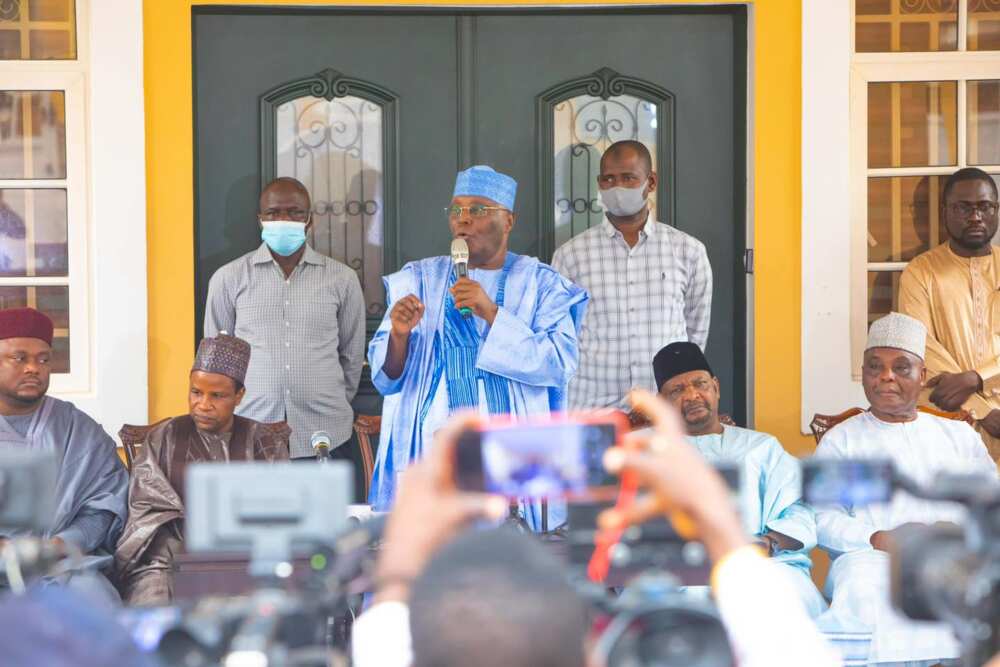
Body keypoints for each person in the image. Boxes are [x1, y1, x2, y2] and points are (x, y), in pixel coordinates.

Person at [351, 392, 839, 667]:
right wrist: (724, 533)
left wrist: (398, 573)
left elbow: (384, 647)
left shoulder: (760, 446)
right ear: (593, 652)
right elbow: (792, 652)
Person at [367, 165, 588, 529]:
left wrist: (491, 312)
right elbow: (386, 378)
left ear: (509, 220)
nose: (463, 220)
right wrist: (399, 335)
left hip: (512, 454)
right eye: (456, 211)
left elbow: (559, 362)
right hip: (431, 450)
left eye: (478, 210)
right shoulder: (420, 278)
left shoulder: (542, 284)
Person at [815, 311, 997, 666]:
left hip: (956, 554)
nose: (886, 377)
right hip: (873, 560)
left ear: (922, 375)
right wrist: (878, 537)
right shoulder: (843, 441)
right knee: (862, 587)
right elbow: (822, 518)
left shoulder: (958, 435)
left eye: (901, 367)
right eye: (874, 366)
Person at [650, 341, 827, 617]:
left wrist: (769, 542)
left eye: (700, 384)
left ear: (716, 388)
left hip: (762, 563)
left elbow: (800, 511)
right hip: (679, 571)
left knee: (785, 594)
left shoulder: (761, 447)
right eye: (678, 390)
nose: (693, 395)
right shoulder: (645, 454)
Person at [114, 334, 289, 606]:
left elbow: (281, 511)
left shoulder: (263, 442)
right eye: (196, 392)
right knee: (151, 604)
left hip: (247, 558)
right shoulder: (165, 437)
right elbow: (147, 510)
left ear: (239, 395)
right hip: (170, 559)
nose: (203, 404)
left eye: (217, 396)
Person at [204, 176, 365, 461]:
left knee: (327, 507)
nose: (284, 219)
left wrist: (325, 395)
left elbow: (352, 356)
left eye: (294, 212)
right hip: (251, 431)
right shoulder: (229, 278)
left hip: (325, 431)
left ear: (309, 220)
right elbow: (217, 361)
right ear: (260, 220)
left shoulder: (342, 279)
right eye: (273, 213)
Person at [551, 140, 712, 410]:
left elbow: (695, 334)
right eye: (609, 179)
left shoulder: (688, 251)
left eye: (628, 178)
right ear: (599, 184)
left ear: (650, 182)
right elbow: (560, 337)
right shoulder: (570, 256)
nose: (618, 187)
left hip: (665, 410)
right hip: (592, 408)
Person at [0, 308, 128, 602]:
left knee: (95, 600)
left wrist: (65, 542)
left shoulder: (77, 429)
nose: (34, 368)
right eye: (20, 358)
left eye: (43, 359)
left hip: (60, 568)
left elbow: (104, 507)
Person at [898, 167, 1000, 461]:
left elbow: (970, 379)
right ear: (945, 212)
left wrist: (977, 378)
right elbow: (922, 349)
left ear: (995, 210)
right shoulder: (921, 272)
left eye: (984, 206)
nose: (975, 216)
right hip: (946, 416)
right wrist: (983, 410)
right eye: (963, 207)